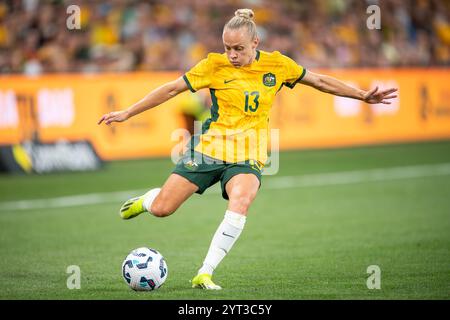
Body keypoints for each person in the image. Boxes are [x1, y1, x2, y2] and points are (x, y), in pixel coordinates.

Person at [98, 9, 398, 290]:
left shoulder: (278, 64)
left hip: (249, 155)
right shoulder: (213, 65)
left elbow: (319, 81)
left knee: (241, 200)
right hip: (209, 148)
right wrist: (128, 112)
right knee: (164, 209)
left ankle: (205, 272)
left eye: (238, 49)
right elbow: (171, 89)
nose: (232, 54)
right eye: (227, 47)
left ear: (255, 42)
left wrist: (362, 95)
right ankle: (148, 200)